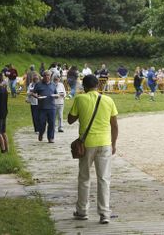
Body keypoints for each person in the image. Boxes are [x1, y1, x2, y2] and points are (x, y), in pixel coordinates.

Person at [68, 74, 118, 224]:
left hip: (86, 144)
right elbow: (114, 125)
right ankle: (104, 213)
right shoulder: (108, 100)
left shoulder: (80, 99)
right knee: (104, 179)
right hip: (104, 143)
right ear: (98, 85)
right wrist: (113, 144)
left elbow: (70, 120)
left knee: (84, 178)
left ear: (84, 86)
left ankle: (82, 211)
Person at [33, 71, 58, 143]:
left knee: (52, 123)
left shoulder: (53, 85)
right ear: (43, 76)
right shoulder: (38, 84)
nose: (47, 77)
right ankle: (41, 133)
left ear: (50, 76)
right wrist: (37, 96)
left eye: (48, 75)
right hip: (42, 108)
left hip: (52, 107)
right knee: (42, 124)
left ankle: (50, 138)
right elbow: (33, 93)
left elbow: (56, 94)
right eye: (45, 75)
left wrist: (57, 96)